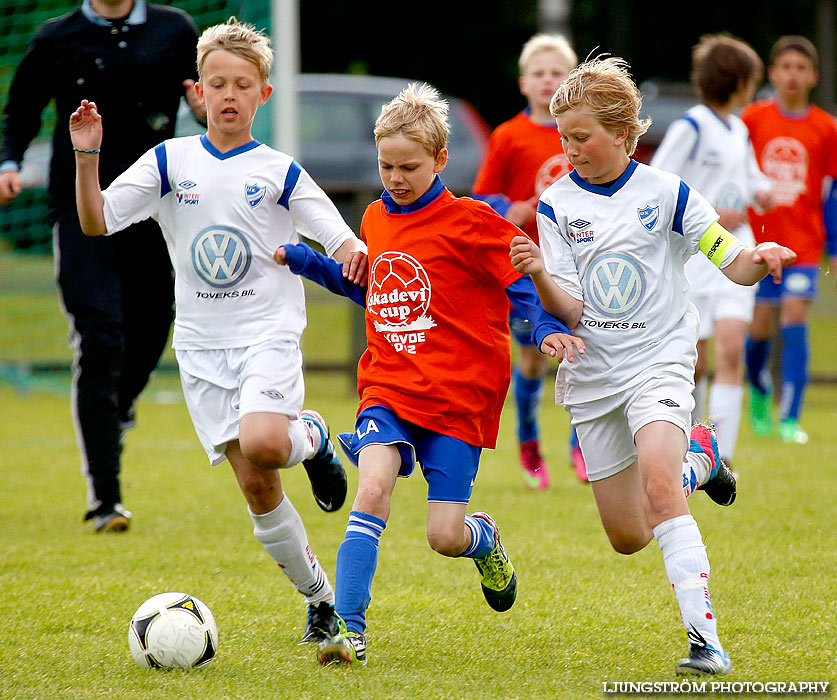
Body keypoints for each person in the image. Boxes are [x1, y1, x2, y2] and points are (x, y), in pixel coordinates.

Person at [70, 17, 367, 645]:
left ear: (263, 93)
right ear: (196, 92)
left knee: (264, 443)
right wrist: (87, 153)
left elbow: (341, 240)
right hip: (203, 348)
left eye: (243, 85)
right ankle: (320, 599)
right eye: (217, 84)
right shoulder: (168, 162)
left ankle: (306, 436)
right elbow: (96, 222)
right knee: (257, 487)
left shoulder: (279, 170)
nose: (229, 95)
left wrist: (357, 254)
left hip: (268, 334)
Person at [274, 83, 584, 666]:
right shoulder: (374, 217)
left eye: (409, 167)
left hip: (459, 400)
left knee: (443, 536)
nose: (395, 178)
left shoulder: (473, 223)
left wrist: (544, 331)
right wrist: (308, 259)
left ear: (441, 160)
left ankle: (482, 539)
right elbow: (369, 286)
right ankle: (350, 629)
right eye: (386, 165)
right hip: (388, 389)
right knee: (373, 489)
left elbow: (523, 285)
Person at [510, 56, 796, 674]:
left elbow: (732, 262)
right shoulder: (556, 204)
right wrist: (538, 277)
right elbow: (573, 308)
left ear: (621, 133)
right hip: (595, 376)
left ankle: (705, 642)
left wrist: (760, 256)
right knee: (628, 535)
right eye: (563, 138)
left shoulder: (669, 195)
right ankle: (704, 459)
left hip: (659, 363)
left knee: (662, 492)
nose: (569, 149)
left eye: (580, 137)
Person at [0, 0, 206, 533]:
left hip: (154, 204)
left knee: (155, 322)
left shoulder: (175, 29)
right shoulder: (55, 38)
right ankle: (106, 499)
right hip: (81, 206)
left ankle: (119, 406)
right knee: (100, 336)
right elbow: (21, 108)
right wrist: (9, 162)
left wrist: (205, 110)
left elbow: (210, 98)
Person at [651, 34, 774, 468]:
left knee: (730, 351)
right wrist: (710, 208)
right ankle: (693, 446)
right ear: (737, 81)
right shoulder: (693, 126)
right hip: (698, 258)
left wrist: (763, 192)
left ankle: (722, 458)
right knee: (697, 361)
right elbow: (659, 181)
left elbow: (750, 176)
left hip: (737, 254)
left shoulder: (739, 128)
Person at [472, 33, 588, 486]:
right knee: (533, 360)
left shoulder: (583, 131)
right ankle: (530, 448)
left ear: (572, 80)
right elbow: (481, 199)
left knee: (583, 357)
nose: (547, 81)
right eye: (538, 74)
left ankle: (582, 449)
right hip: (528, 272)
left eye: (557, 73)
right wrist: (510, 208)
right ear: (523, 83)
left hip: (580, 266)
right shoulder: (508, 136)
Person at [740, 35, 837, 444]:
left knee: (794, 318)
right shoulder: (752, 120)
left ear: (813, 75)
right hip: (757, 244)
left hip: (802, 245)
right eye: (786, 67)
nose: (793, 75)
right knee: (760, 327)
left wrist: (833, 246)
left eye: (801, 68)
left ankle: (790, 417)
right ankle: (759, 391)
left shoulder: (826, 128)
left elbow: (830, 192)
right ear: (772, 73)